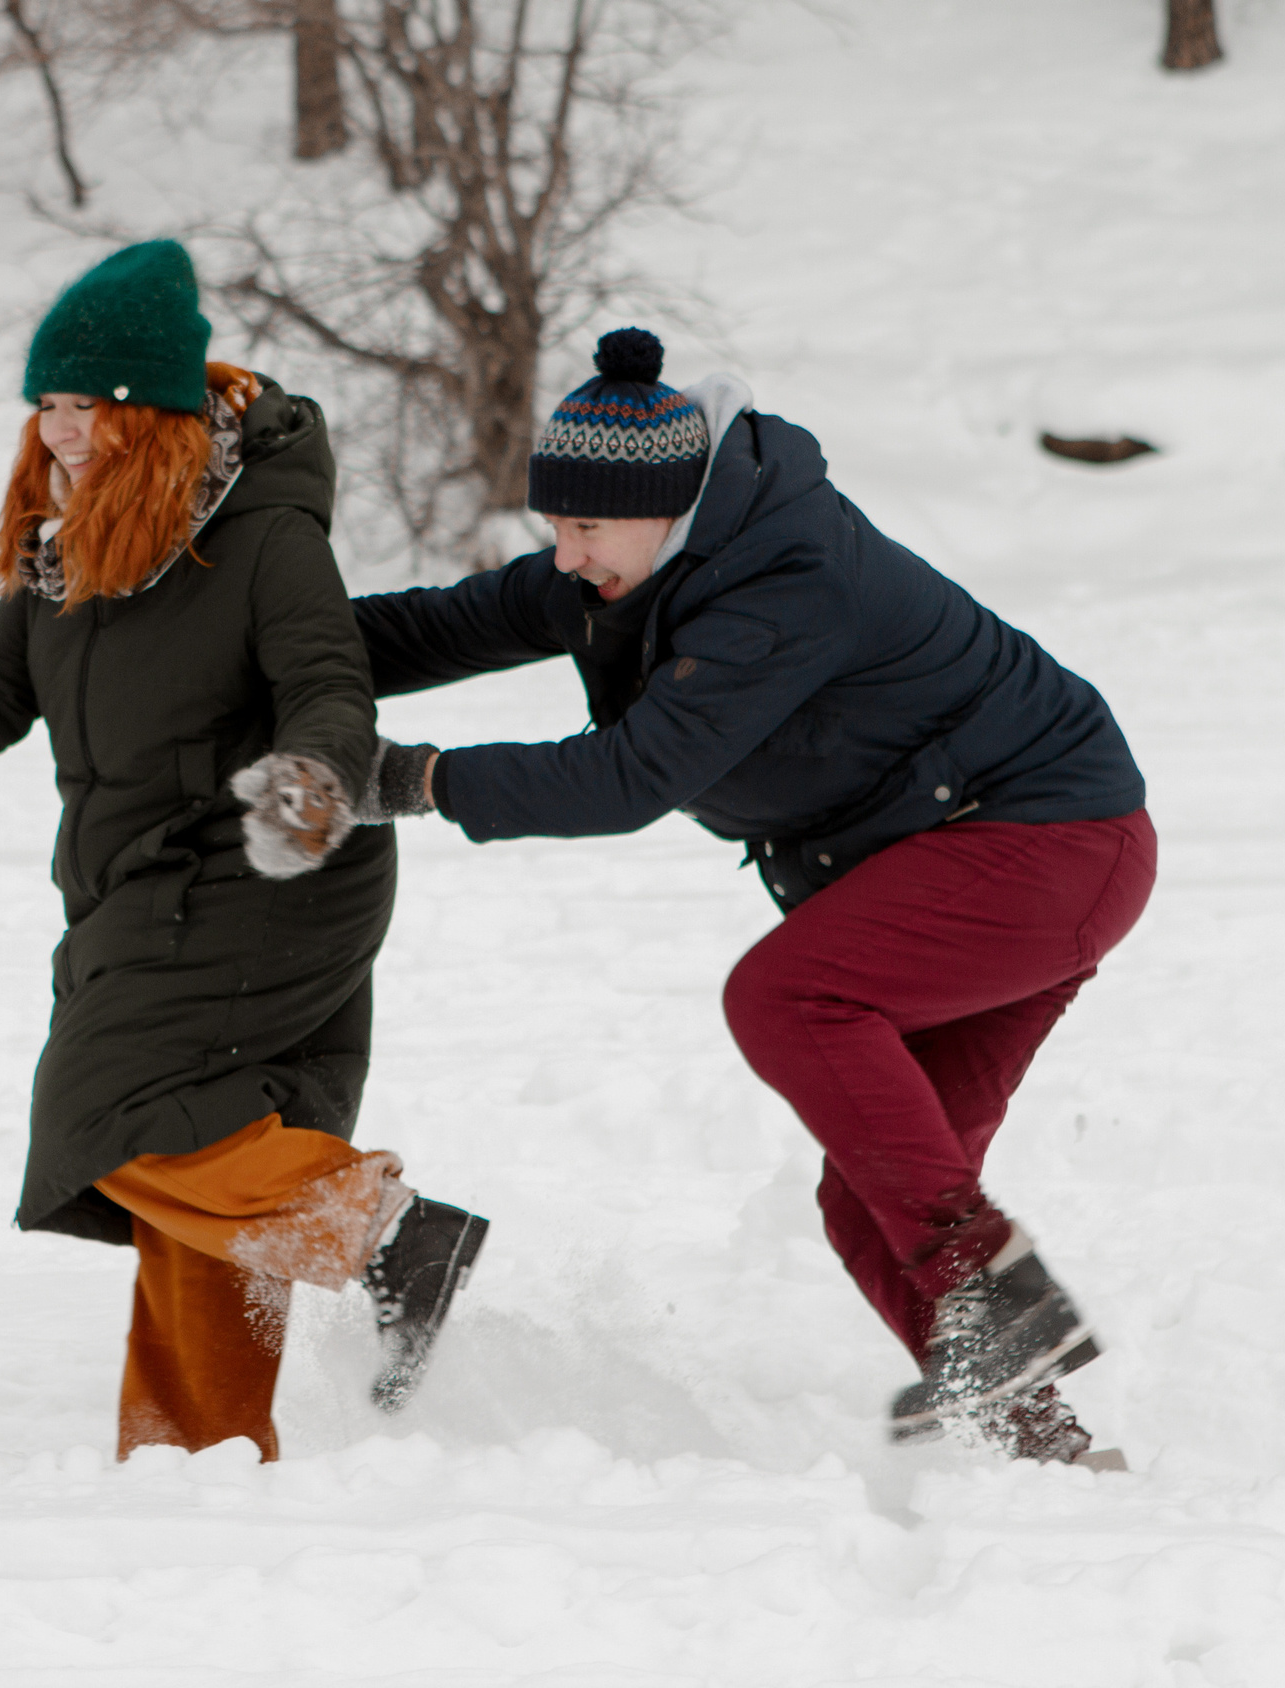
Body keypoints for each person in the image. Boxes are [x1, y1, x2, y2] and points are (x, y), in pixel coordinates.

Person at [345, 328, 1151, 1465]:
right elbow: (435, 625)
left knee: (789, 996)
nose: (564, 555)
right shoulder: (630, 565)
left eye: (584, 529)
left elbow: (629, 777)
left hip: (1045, 842)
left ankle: (993, 1291)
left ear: (669, 509)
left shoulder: (782, 582)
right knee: (868, 1188)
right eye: (554, 527)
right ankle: (1046, 1448)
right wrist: (262, 638)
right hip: (976, 859)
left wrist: (410, 779)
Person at [0, 241, 489, 1462]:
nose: (56, 435)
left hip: (274, 869)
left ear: (145, 414)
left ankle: (389, 1234)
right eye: (45, 409)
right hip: (147, 883)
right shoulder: (66, 554)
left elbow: (327, 683)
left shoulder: (262, 538)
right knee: (204, 1150)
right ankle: (195, 1454)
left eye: (79, 408)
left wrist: (307, 782)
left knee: (114, 1110)